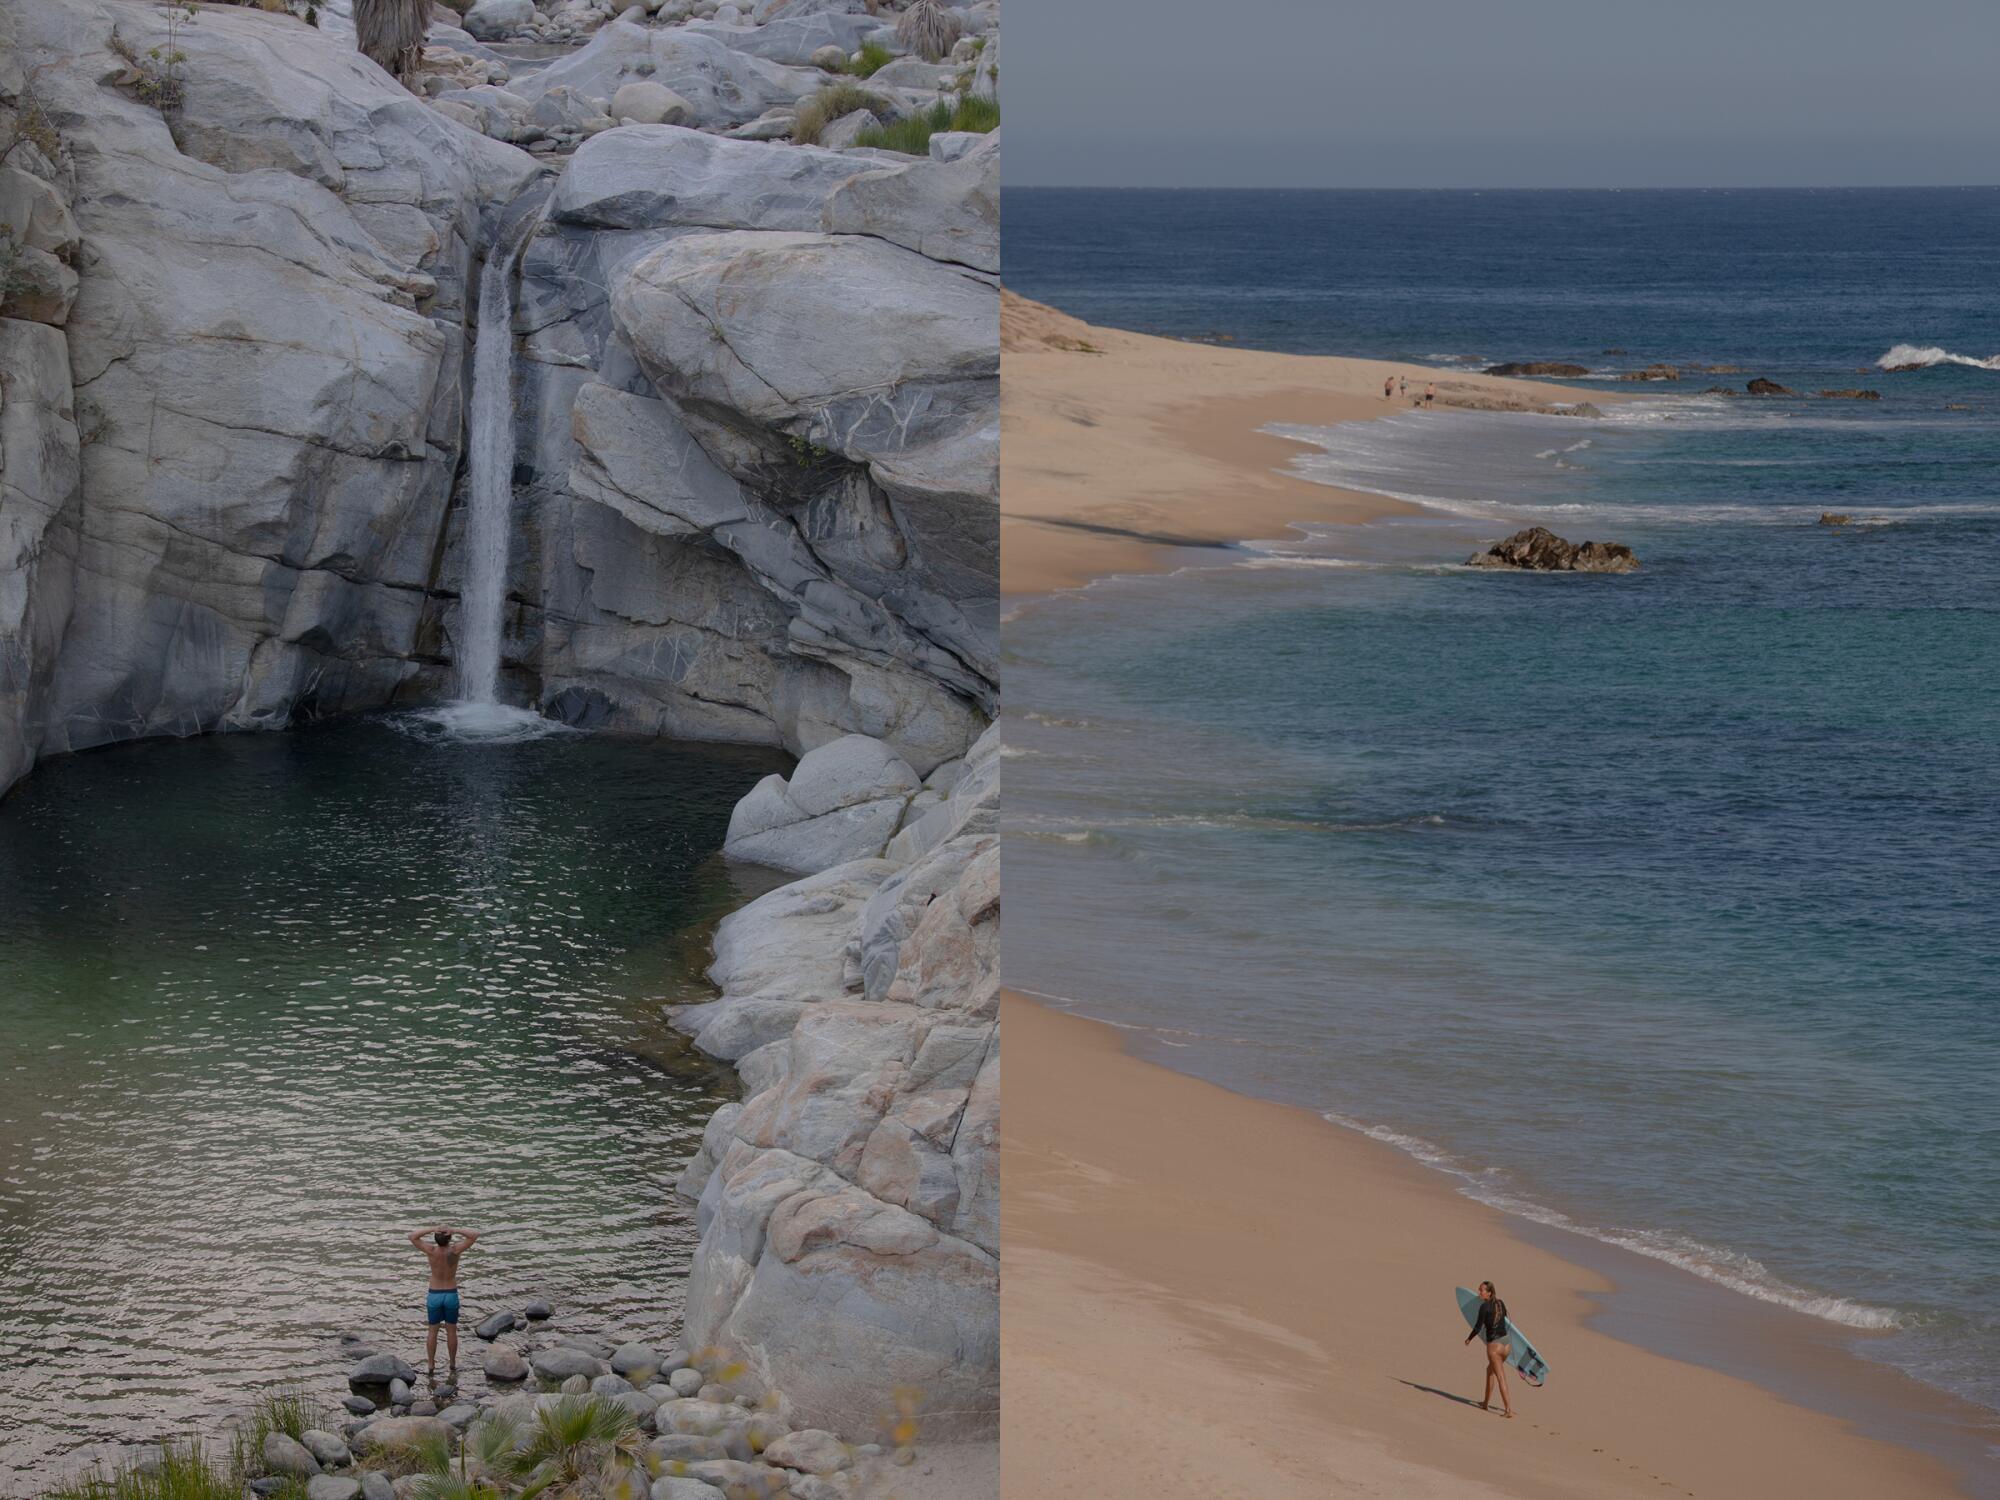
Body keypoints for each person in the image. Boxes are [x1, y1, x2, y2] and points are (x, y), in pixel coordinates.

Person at [408, 1224, 478, 1376]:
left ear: (436, 1238)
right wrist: (455, 1229)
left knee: (432, 1331)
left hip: (435, 1294)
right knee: (451, 1331)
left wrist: (431, 1228)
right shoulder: (455, 1250)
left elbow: (412, 1236)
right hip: (451, 1294)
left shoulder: (431, 1251)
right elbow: (474, 1235)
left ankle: (431, 1365)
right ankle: (452, 1364)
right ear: (449, 1238)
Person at [1463, 1280, 1513, 1418]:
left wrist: (1469, 1339)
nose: (1479, 1293)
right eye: (1479, 1290)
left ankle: (1508, 1410)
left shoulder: (1484, 1307)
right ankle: (1485, 1403)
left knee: (1501, 1377)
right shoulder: (1501, 1303)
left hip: (1495, 1347)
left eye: (1481, 1291)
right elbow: (1505, 1320)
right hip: (1507, 1345)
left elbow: (1478, 1327)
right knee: (1489, 1371)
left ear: (1489, 1293)